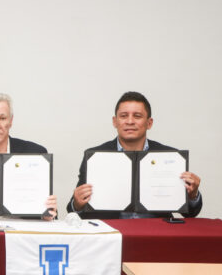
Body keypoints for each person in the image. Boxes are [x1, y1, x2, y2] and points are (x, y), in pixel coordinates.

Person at [67, 91, 202, 219]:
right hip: (112, 235)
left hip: (156, 234)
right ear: (115, 121)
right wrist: (77, 203)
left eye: (137, 116)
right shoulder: (95, 157)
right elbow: (73, 210)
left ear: (149, 123)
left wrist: (192, 195)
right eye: (124, 116)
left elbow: (191, 213)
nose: (130, 121)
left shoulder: (171, 156)